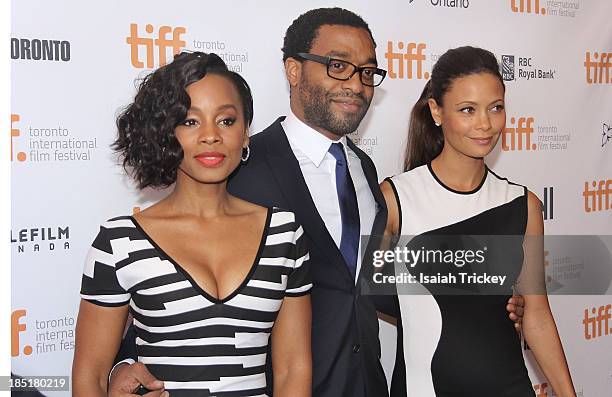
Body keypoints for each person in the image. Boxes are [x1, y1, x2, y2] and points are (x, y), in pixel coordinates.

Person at [108, 9, 526, 397]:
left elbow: (374, 288)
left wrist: (481, 295)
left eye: (365, 72)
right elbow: (172, 273)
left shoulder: (364, 170)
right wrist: (125, 362)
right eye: (338, 65)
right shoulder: (239, 165)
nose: (356, 83)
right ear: (293, 69)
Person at [72, 52, 312, 397]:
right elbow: (90, 378)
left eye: (227, 121)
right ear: (166, 133)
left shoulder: (283, 234)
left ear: (246, 134)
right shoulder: (120, 243)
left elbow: (293, 369)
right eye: (190, 121)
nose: (211, 136)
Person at [380, 46, 576, 396]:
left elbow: (538, 316)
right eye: (467, 110)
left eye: (496, 108)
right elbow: (372, 298)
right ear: (437, 111)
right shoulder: (396, 199)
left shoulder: (523, 204)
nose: (485, 124)